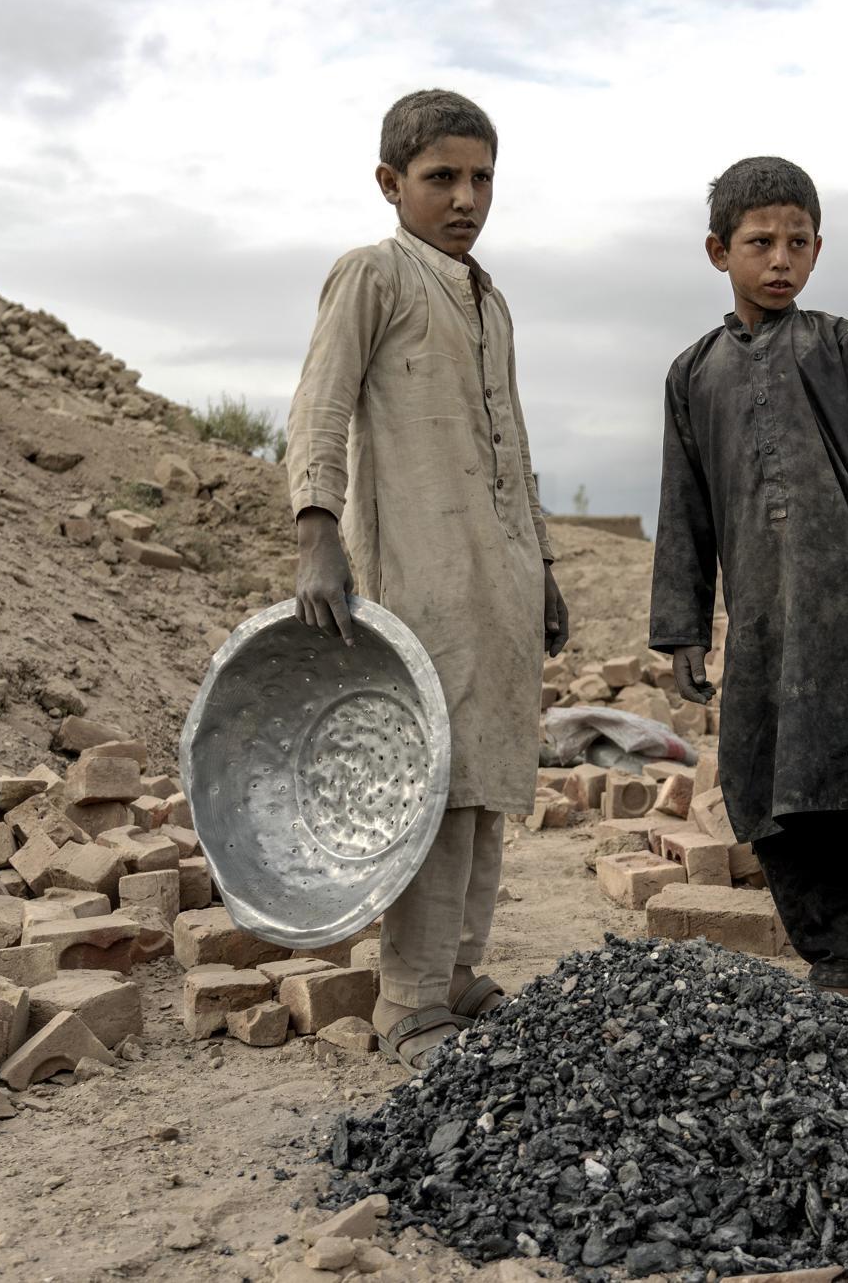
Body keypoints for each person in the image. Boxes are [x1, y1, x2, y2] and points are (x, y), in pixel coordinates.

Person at [648, 156, 848, 1045]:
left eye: (798, 242)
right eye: (760, 243)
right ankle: (837, 965)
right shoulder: (691, 374)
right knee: (776, 795)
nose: (780, 259)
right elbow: (685, 509)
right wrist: (681, 628)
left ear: (819, 249)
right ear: (719, 251)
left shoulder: (840, 346)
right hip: (759, 627)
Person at [283, 89, 569, 1071]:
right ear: (389, 183)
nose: (465, 197)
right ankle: (407, 999)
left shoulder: (489, 297)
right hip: (418, 574)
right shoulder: (373, 274)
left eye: (481, 177)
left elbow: (514, 446)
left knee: (487, 780)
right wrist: (318, 533)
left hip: (497, 579)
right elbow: (317, 404)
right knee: (430, 784)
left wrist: (543, 567)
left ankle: (456, 973)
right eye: (441, 177)